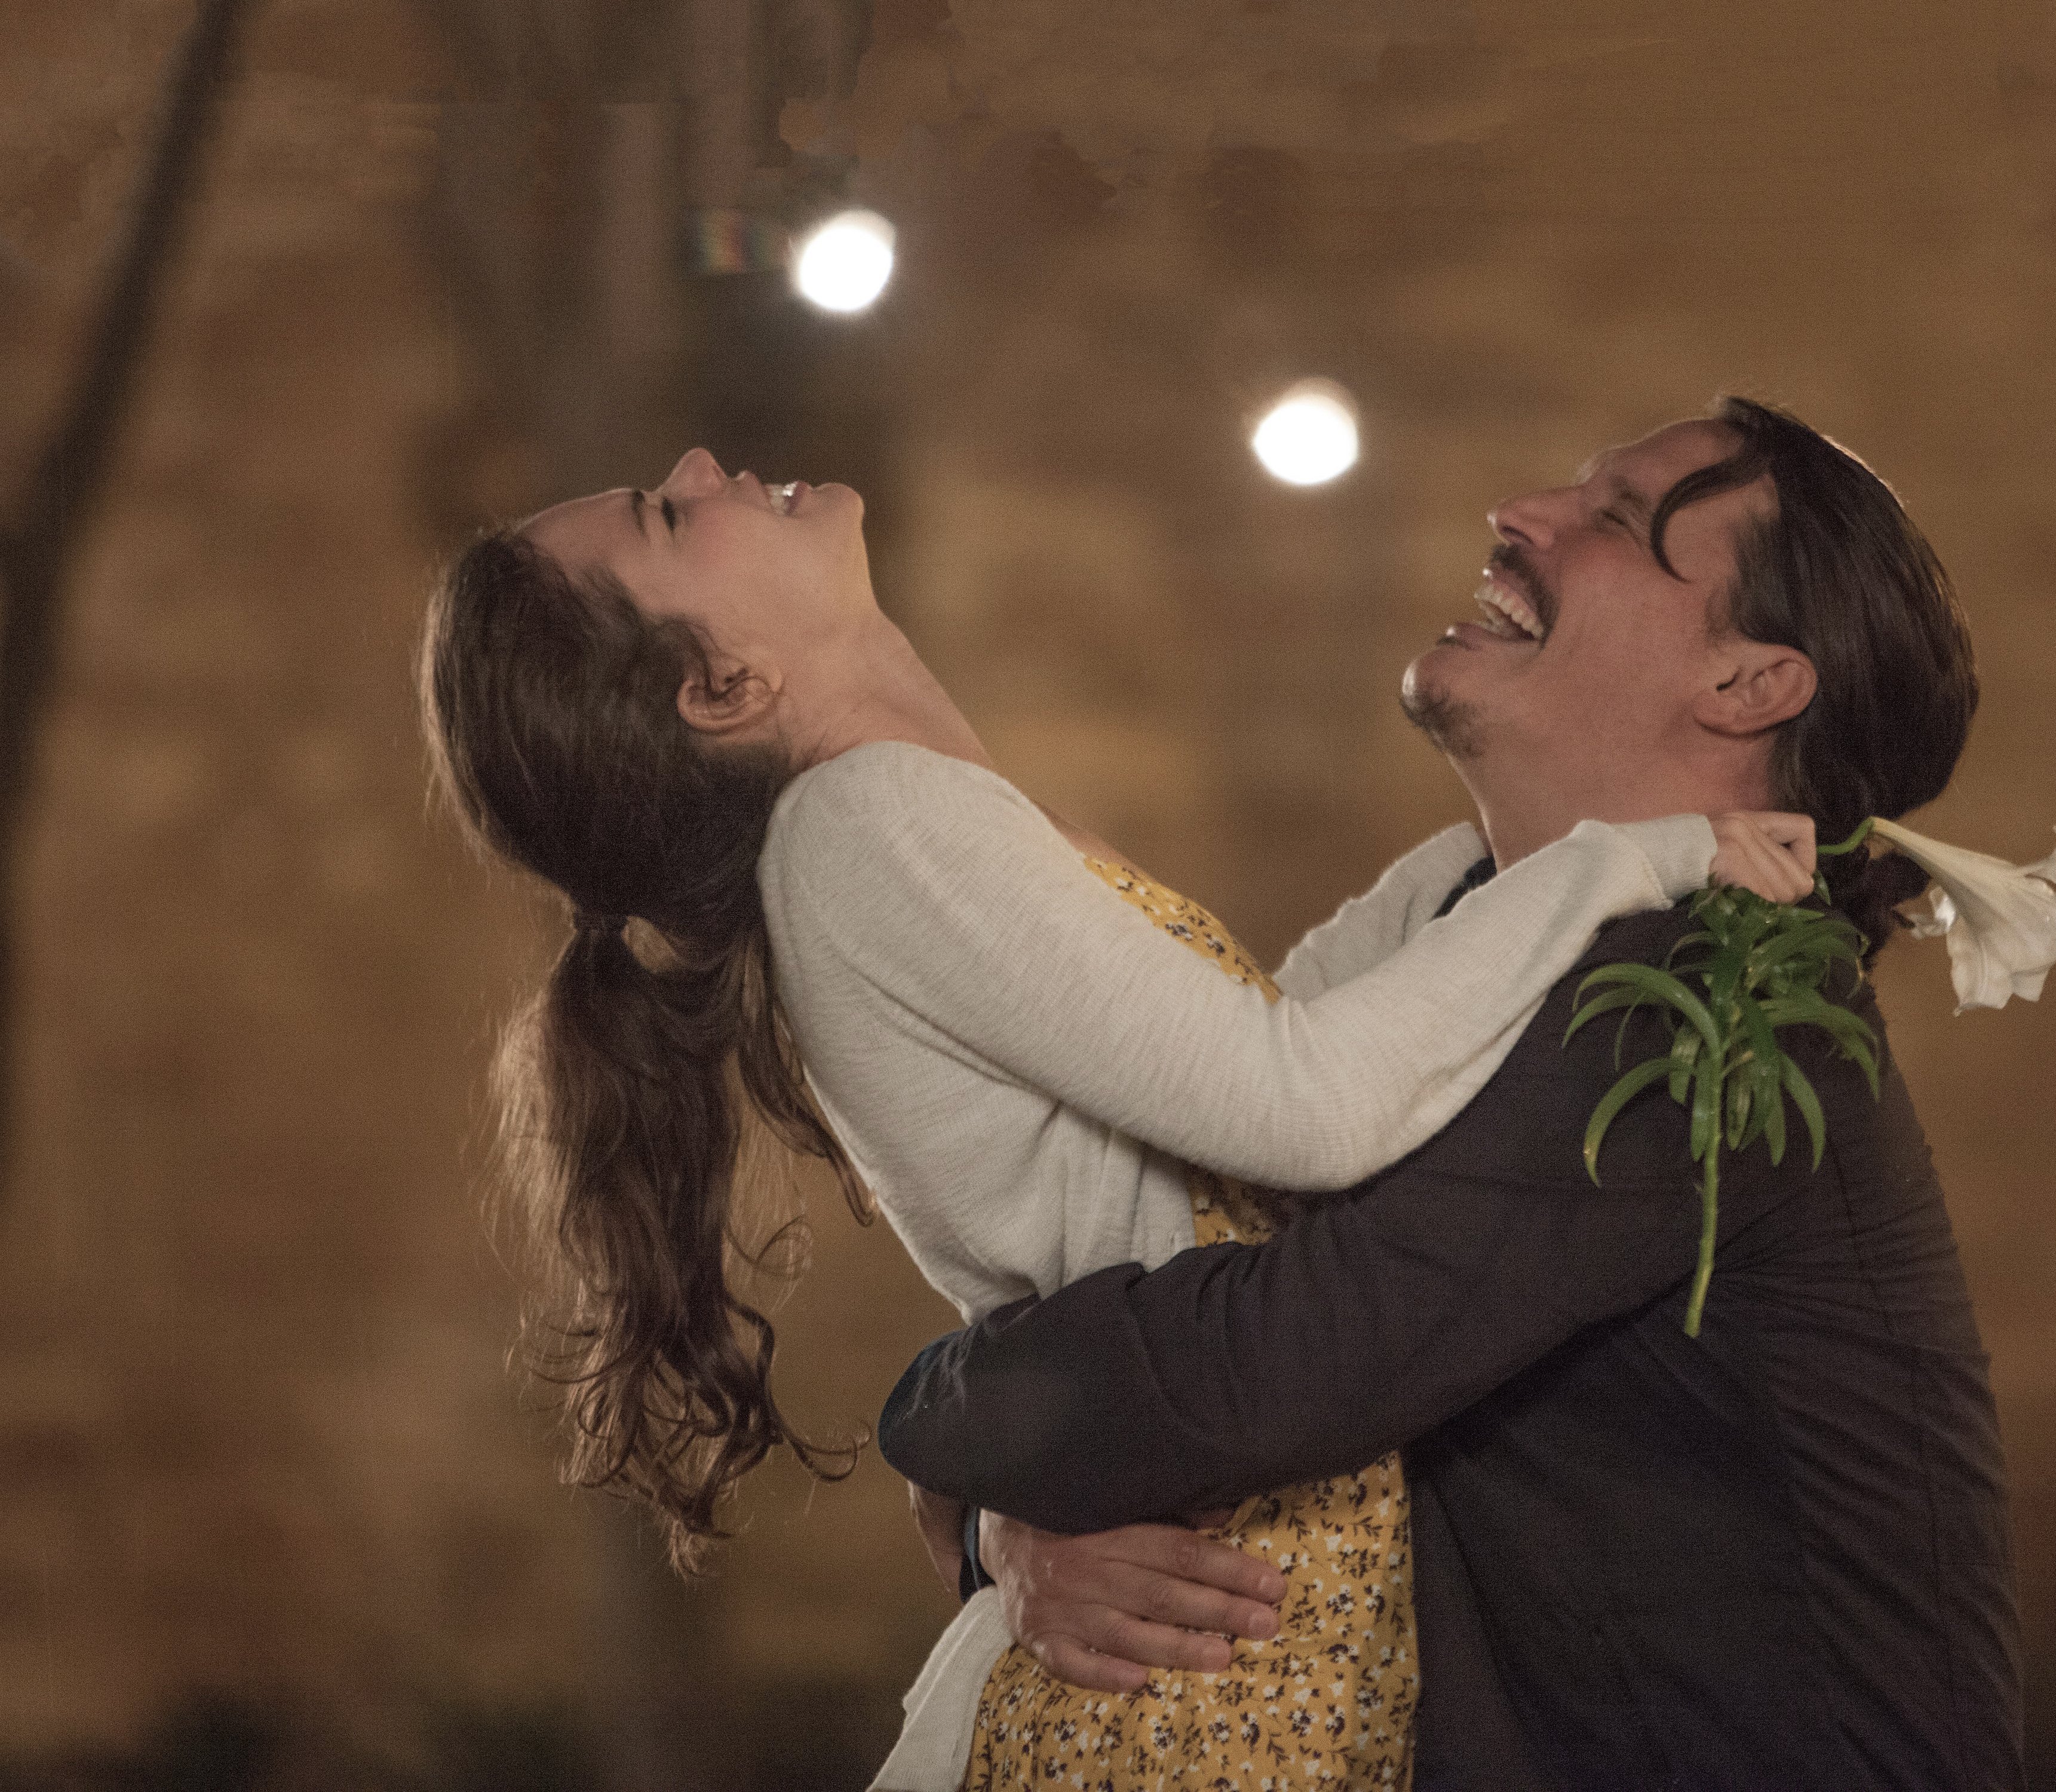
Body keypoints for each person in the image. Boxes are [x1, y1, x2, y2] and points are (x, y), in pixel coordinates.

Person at [417, 444, 1820, 1788]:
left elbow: (1260, 1068)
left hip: (1234, 1641)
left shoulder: (892, 823)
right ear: (725, 686)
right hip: (1207, 1683)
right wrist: (1624, 858)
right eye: (667, 518)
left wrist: (1500, 859)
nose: (700, 467)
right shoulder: (865, 822)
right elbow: (1310, 1110)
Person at [877, 397, 2026, 1790]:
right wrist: (1008, 1530)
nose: (1517, 513)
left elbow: (1278, 1358)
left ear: (1746, 685)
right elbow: (1221, 1336)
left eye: (1617, 520)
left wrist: (937, 1423)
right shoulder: (1472, 936)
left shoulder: (1712, 1006)